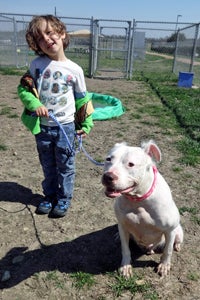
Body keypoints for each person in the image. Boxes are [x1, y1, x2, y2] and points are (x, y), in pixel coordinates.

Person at [18, 15, 94, 218]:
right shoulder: (36, 65)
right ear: (36, 44)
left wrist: (85, 125)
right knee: (48, 165)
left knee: (66, 165)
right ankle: (49, 196)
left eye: (50, 32)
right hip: (42, 127)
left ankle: (63, 198)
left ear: (61, 34)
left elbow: (82, 101)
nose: (47, 39)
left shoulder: (75, 70)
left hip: (66, 128)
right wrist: (35, 104)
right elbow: (24, 89)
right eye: (40, 38)